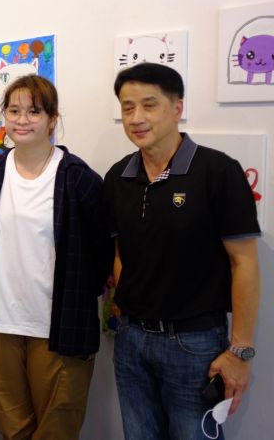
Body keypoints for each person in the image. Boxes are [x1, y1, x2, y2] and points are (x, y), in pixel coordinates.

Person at [104, 63, 261, 440]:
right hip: (131, 341)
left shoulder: (218, 171)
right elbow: (121, 251)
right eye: (128, 107)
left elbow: (244, 263)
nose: (137, 118)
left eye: (149, 105)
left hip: (195, 345)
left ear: (177, 108)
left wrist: (240, 351)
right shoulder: (117, 177)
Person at [0, 74, 113, 439]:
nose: (22, 120)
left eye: (34, 111)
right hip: (2, 328)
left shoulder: (79, 179)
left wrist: (78, 297)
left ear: (53, 119)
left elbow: (101, 255)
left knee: (57, 428)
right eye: (14, 111)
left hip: (60, 328)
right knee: (13, 430)